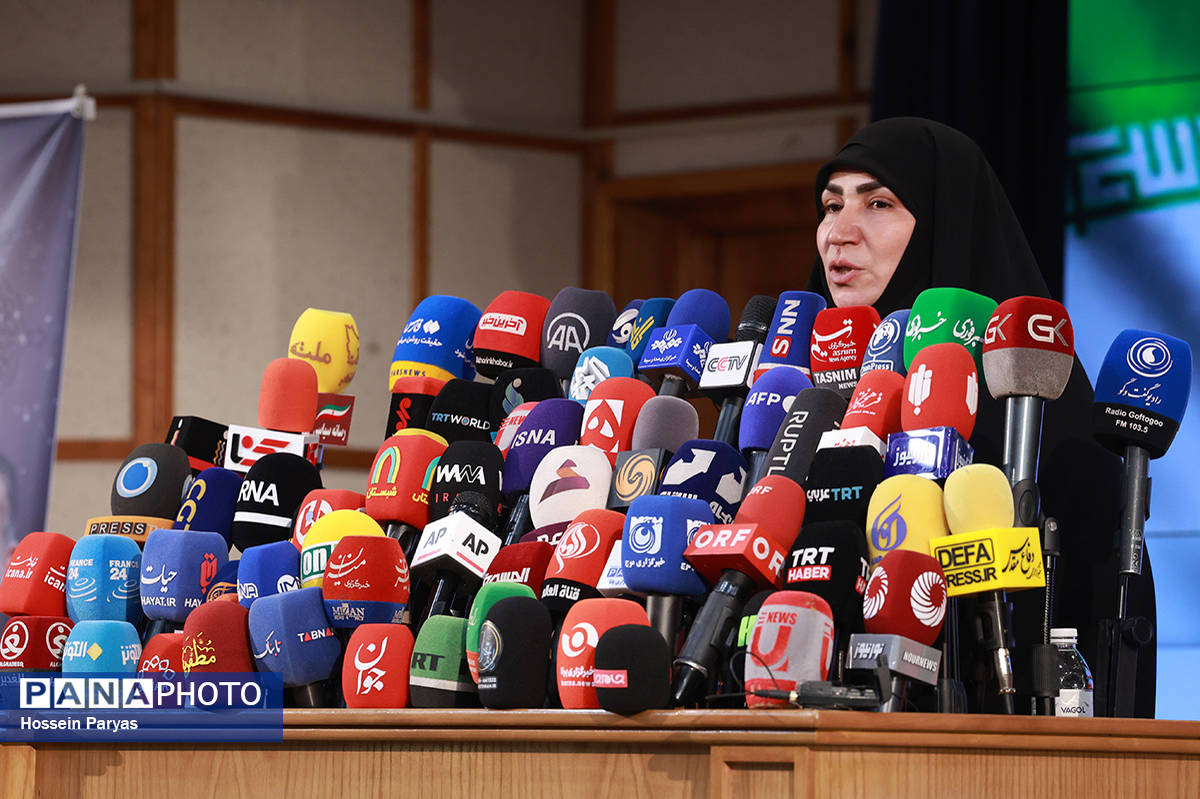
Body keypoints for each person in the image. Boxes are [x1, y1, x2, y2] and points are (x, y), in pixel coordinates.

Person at [805, 117, 1155, 717]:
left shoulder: (1036, 416)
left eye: (879, 203)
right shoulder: (800, 396)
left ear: (948, 223)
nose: (840, 233)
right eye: (831, 206)